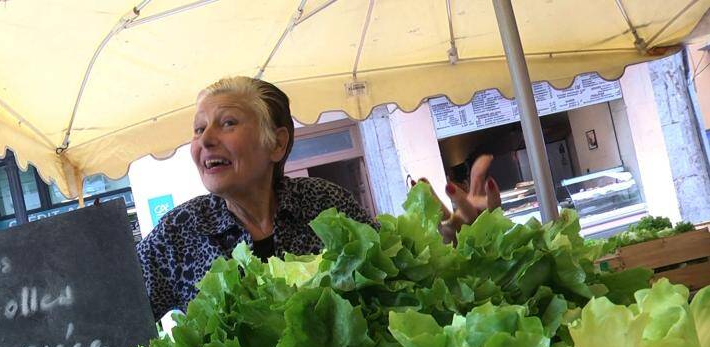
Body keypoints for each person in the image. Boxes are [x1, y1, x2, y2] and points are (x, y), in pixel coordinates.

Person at [137, 76, 499, 321]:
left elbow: (396, 281)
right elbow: (113, 321)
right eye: (199, 129)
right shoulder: (179, 233)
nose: (205, 140)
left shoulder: (326, 205)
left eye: (227, 123)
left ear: (277, 143)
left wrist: (449, 240)